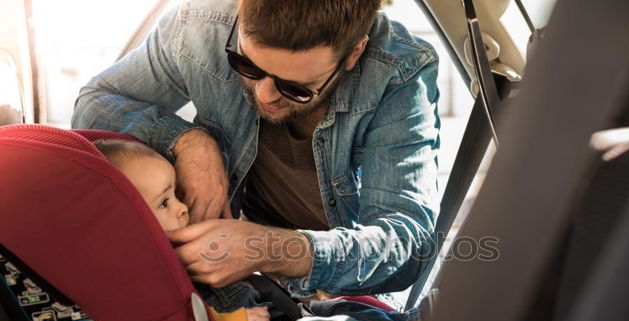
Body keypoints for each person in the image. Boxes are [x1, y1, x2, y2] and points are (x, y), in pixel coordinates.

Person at [72, 0, 440, 303]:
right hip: (225, 285)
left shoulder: (398, 75)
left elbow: (407, 244)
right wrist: (190, 142)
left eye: (296, 88)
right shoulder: (202, 27)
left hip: (342, 293)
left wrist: (269, 250)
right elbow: (93, 105)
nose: (264, 95)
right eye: (246, 65)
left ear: (353, 53)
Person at [93, 138, 427, 321]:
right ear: (126, 227)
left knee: (342, 312)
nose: (183, 208)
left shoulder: (175, 255)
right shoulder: (139, 285)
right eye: (165, 202)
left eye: (177, 194)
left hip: (280, 314)